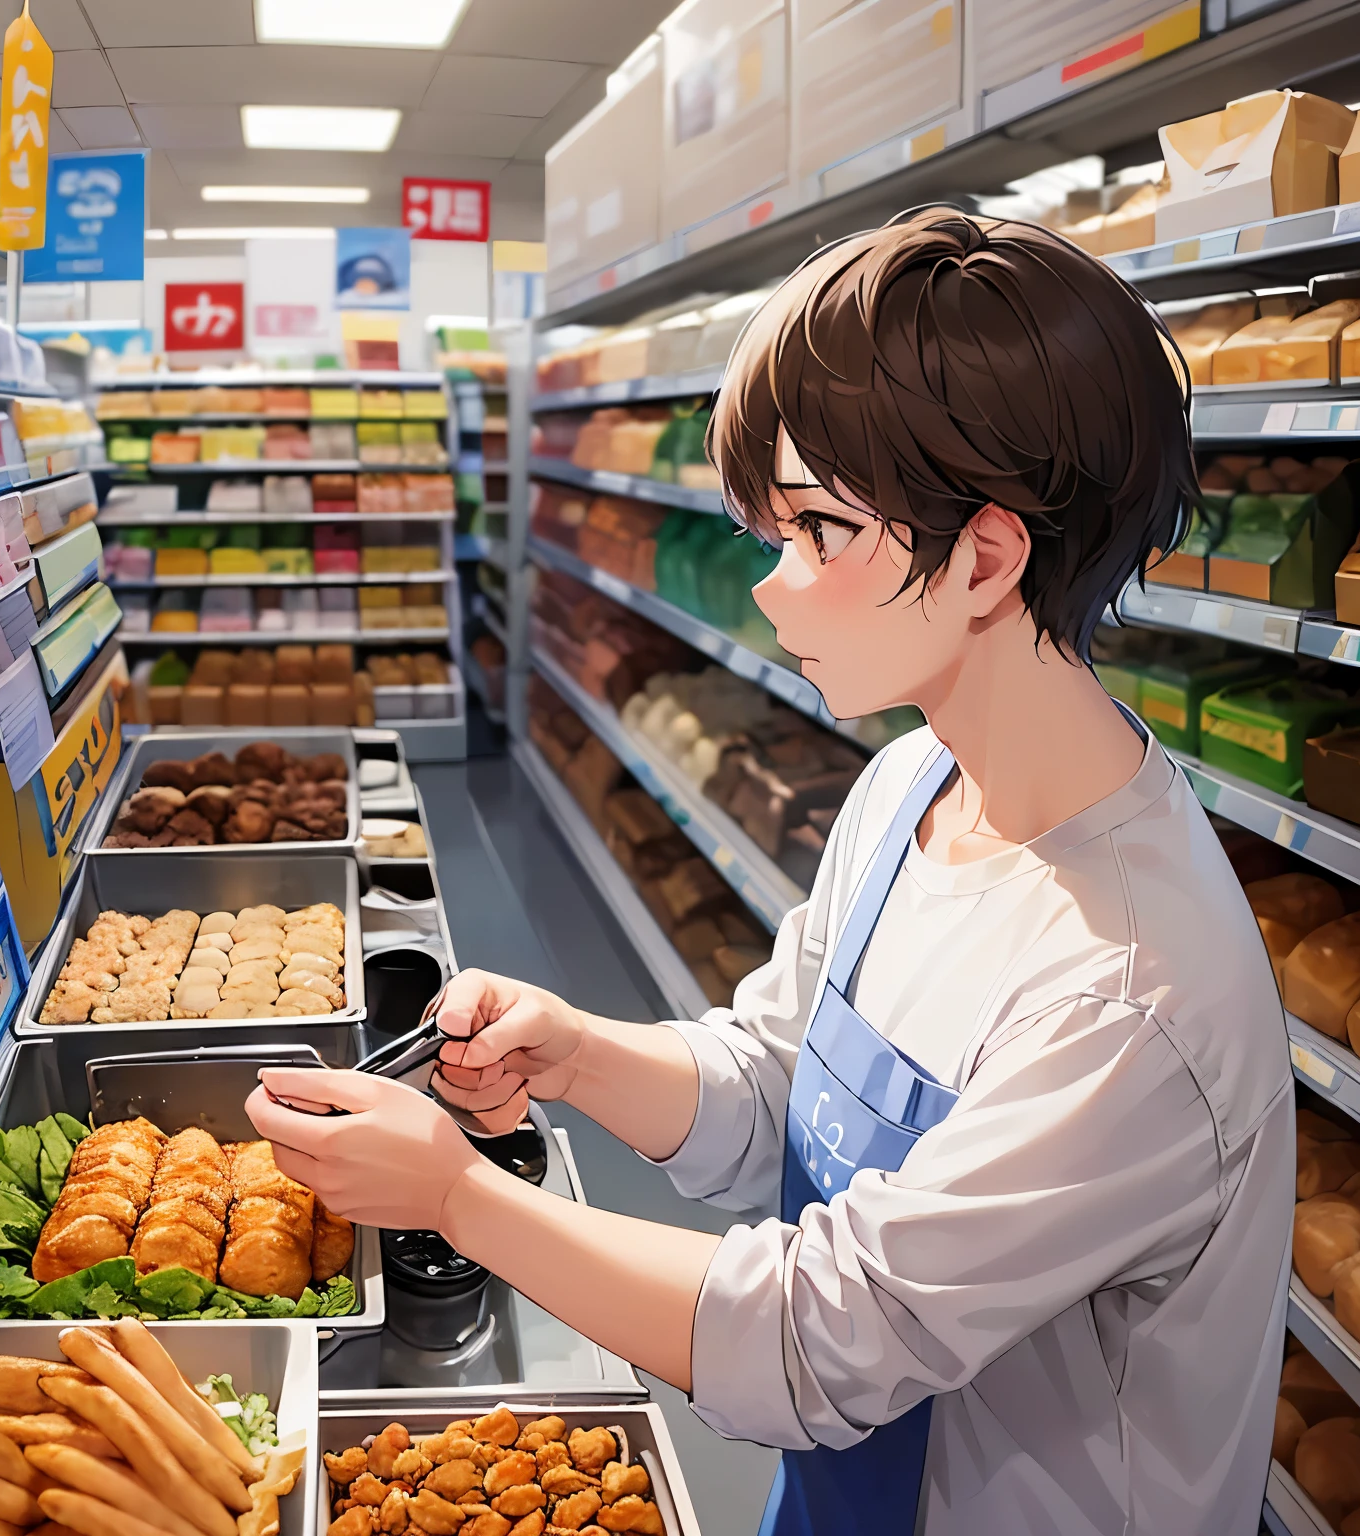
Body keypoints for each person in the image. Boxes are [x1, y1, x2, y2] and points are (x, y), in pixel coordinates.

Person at [246, 207, 1294, 1536]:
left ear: (982, 557)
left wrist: (455, 1193)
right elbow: (781, 1082)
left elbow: (821, 1338)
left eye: (816, 532)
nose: (770, 590)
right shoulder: (910, 788)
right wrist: (575, 1054)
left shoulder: (1130, 992)